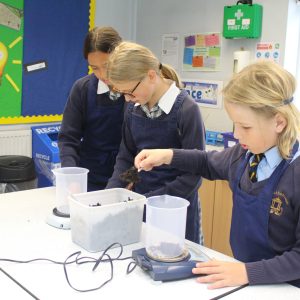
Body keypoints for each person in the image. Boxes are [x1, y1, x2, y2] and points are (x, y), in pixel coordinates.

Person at [134, 60, 300, 289]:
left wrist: (247, 272)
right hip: (247, 280)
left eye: (246, 127)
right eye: (235, 125)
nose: (237, 134)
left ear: (279, 122)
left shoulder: (295, 173)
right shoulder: (245, 155)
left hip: (286, 287)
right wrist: (168, 155)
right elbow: (207, 162)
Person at [106, 41, 206, 244]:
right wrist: (111, 195)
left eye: (130, 92)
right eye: (122, 93)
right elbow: (126, 158)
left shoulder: (187, 111)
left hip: (176, 211)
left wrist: (151, 202)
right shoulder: (133, 109)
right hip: (142, 207)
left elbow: (194, 175)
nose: (126, 99)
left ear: (151, 76)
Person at [58, 27, 126, 191]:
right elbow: (68, 138)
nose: (102, 74)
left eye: (107, 65)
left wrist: (127, 180)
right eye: (94, 68)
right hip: (90, 177)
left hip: (127, 178)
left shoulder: (136, 89)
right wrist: (71, 176)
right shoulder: (82, 88)